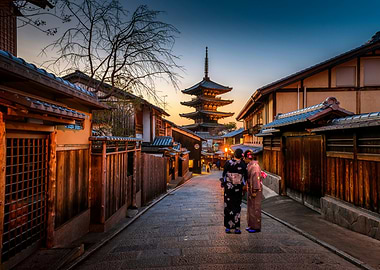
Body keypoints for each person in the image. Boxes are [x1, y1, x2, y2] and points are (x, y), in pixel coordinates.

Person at [220, 148, 247, 234]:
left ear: (234, 155)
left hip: (229, 188)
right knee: (237, 207)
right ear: (241, 156)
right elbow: (245, 177)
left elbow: (224, 175)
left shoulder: (228, 163)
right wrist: (243, 185)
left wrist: (224, 183)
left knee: (228, 206)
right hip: (238, 188)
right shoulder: (243, 164)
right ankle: (237, 227)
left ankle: (228, 227)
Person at [244, 150, 263, 233]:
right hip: (251, 187)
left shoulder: (254, 167)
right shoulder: (251, 165)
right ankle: (251, 225)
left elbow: (256, 179)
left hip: (255, 189)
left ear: (246, 158)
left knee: (255, 208)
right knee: (251, 207)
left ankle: (256, 226)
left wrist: (255, 190)